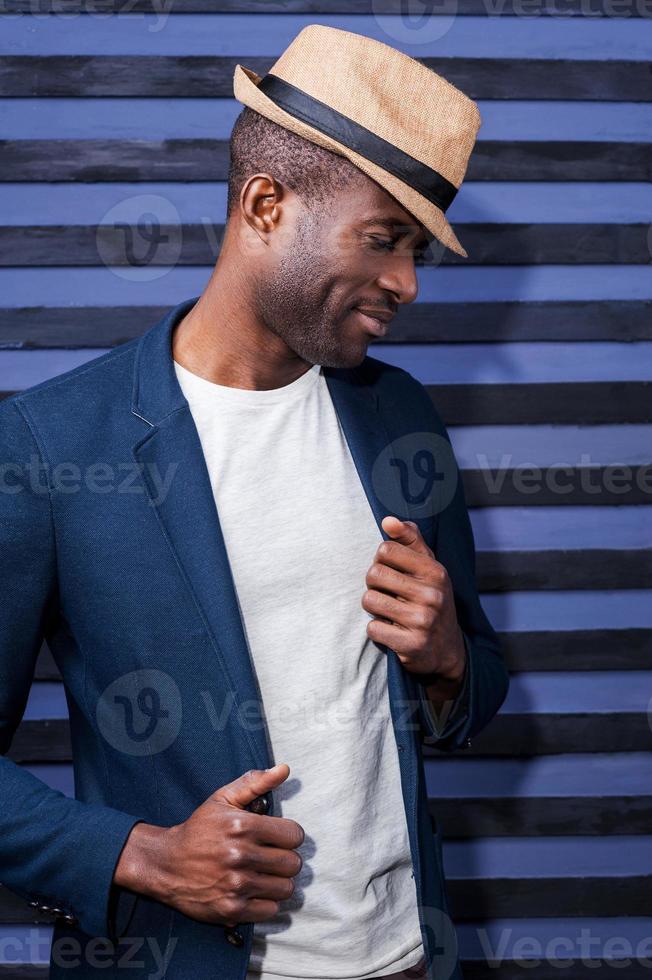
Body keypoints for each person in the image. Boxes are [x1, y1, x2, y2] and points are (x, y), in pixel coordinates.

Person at [0, 23, 509, 980]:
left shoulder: (400, 414)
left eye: (417, 253)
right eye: (383, 240)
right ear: (265, 204)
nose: (406, 283)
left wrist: (446, 662)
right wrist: (136, 855)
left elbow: (474, 685)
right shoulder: (52, 445)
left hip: (408, 956)